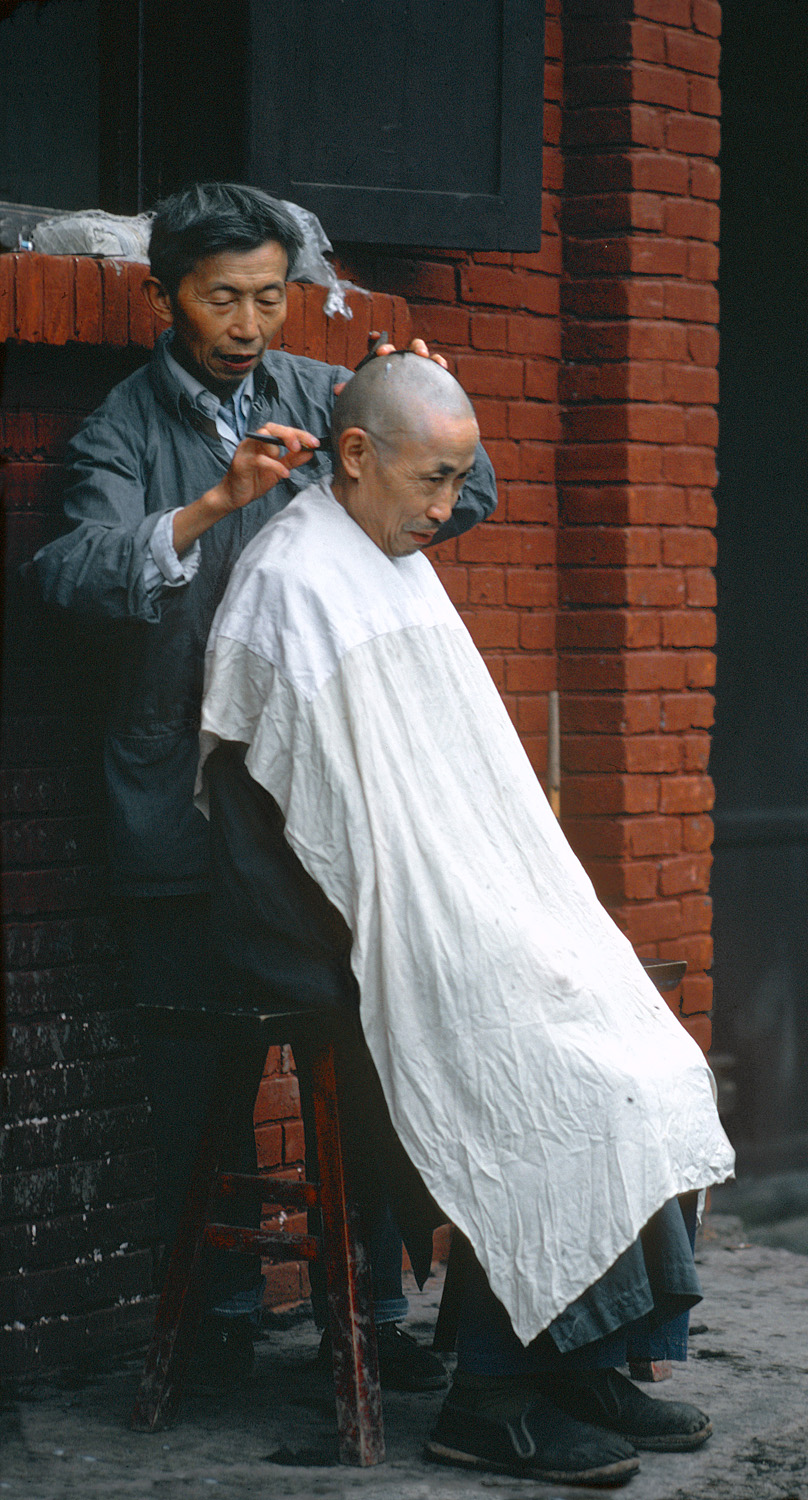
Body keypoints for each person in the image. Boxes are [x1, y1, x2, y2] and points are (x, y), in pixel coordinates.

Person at [197, 352, 736, 1487]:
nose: (450, 507)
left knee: (634, 1042)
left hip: (427, 889)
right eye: (435, 479)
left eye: (460, 479)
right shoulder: (295, 580)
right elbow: (332, 813)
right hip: (310, 921)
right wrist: (435, 925)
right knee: (547, 1064)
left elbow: (453, 779)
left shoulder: (386, 551)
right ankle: (492, 1401)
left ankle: (585, 1358)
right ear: (356, 456)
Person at [31, 182, 498, 1390]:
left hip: (327, 802)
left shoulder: (314, 391)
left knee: (371, 1038)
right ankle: (220, 1322)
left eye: (270, 295)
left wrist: (431, 422)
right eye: (220, 296)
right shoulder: (123, 429)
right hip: (183, 809)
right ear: (165, 297)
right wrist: (212, 505)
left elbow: (467, 499)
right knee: (199, 1081)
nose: (249, 323)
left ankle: (377, 1308)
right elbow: (69, 576)